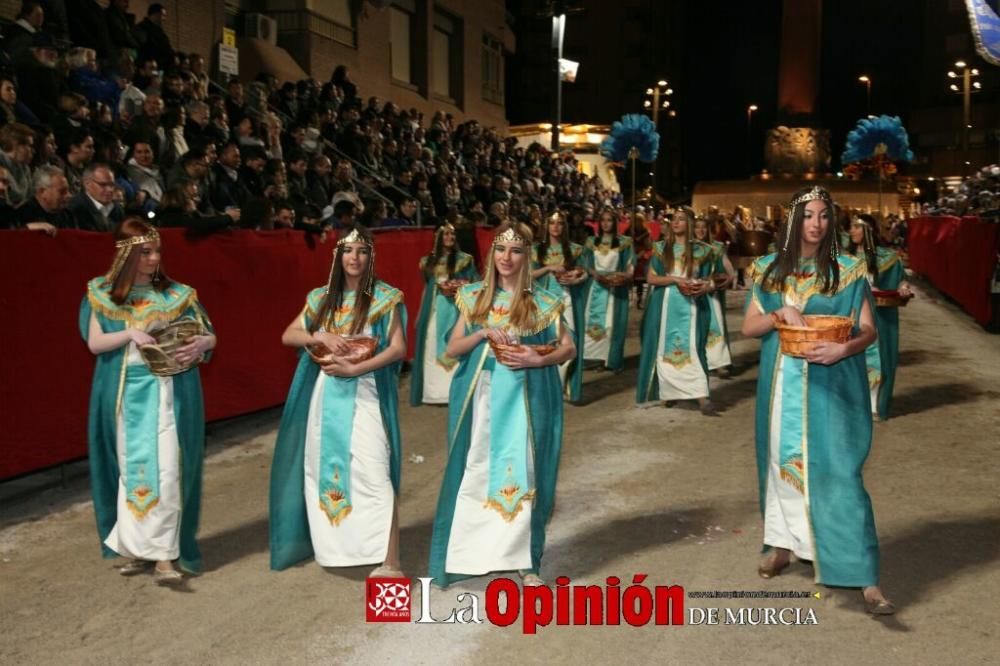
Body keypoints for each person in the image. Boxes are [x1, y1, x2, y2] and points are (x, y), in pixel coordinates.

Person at [740, 186, 893, 615]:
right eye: (809, 215)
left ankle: (865, 575)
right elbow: (748, 328)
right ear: (793, 220)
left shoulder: (847, 269)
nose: (817, 224)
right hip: (780, 388)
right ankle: (784, 546)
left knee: (841, 474)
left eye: (825, 216)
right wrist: (777, 315)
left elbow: (868, 329)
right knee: (781, 466)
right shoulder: (768, 270)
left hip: (832, 385)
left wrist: (843, 350)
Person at [428, 222, 574, 588]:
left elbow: (568, 348)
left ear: (527, 257)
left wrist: (536, 359)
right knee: (476, 467)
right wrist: (481, 332)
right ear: (492, 254)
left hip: (525, 398)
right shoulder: (474, 295)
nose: (507, 258)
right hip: (482, 398)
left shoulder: (542, 300)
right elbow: (452, 348)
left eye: (516, 251)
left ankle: (526, 561)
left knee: (524, 469)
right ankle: (472, 552)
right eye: (501, 250)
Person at [79, 218, 216, 585]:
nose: (154, 258)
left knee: (169, 472)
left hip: (169, 395)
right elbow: (95, 343)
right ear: (125, 254)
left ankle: (165, 556)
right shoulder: (101, 293)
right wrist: (129, 332)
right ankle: (135, 548)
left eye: (156, 251)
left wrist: (204, 344)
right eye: (145, 252)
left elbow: (206, 337)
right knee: (131, 471)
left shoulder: (176, 294)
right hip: (126, 399)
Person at [269, 226, 407, 577]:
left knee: (376, 471)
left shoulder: (385, 297)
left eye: (362, 251)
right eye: (348, 251)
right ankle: (339, 549)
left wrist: (357, 367)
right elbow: (289, 334)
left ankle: (391, 561)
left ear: (370, 257)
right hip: (326, 395)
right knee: (325, 472)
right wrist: (319, 335)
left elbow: (397, 349)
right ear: (338, 257)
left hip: (366, 394)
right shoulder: (321, 298)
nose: (355, 258)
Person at [636, 206, 716, 414]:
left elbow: (708, 280)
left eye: (681, 219)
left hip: (692, 306)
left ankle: (701, 395)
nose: (676, 222)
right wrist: (676, 279)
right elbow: (651, 278)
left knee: (695, 347)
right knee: (664, 346)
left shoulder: (704, 250)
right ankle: (667, 392)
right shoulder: (661, 248)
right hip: (665, 305)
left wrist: (703, 287)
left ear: (690, 223)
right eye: (674, 219)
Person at [847, 213, 911, 421]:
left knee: (877, 360)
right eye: (851, 227)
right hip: (849, 316)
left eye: (856, 227)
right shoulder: (843, 257)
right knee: (851, 361)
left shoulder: (886, 257)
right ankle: (853, 405)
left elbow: (900, 280)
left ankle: (874, 405)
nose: (852, 231)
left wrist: (903, 288)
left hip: (878, 316)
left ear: (868, 230)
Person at [410, 223, 480, 406]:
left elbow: (474, 284)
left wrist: (459, 288)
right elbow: (427, 287)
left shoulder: (464, 259)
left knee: (454, 341)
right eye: (447, 234)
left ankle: (453, 391)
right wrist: (419, 314)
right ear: (438, 237)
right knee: (432, 342)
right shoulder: (428, 262)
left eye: (453, 234)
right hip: (434, 307)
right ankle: (433, 393)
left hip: (456, 308)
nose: (450, 237)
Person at [531, 211, 589, 402]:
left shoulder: (575, 249)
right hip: (542, 302)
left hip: (566, 300)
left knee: (569, 341)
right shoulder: (535, 249)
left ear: (565, 227)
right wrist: (548, 268)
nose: (556, 227)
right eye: (552, 223)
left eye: (560, 223)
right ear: (546, 226)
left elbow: (584, 273)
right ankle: (548, 387)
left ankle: (565, 385)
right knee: (546, 343)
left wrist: (576, 276)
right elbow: (526, 276)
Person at [582, 208, 634, 372]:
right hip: (596, 287)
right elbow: (585, 262)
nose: (606, 223)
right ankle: (592, 358)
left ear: (615, 222)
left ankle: (609, 360)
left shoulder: (625, 242)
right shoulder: (591, 241)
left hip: (615, 288)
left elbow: (630, 263)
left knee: (612, 325)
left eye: (609, 220)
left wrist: (626, 275)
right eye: (603, 220)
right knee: (591, 323)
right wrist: (594, 273)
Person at [693, 215, 736, 376]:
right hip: (692, 292)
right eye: (697, 227)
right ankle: (698, 362)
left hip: (711, 293)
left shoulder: (716, 247)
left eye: (704, 227)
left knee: (714, 325)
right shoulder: (688, 247)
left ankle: (719, 363)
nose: (700, 230)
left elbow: (727, 266)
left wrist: (729, 277)